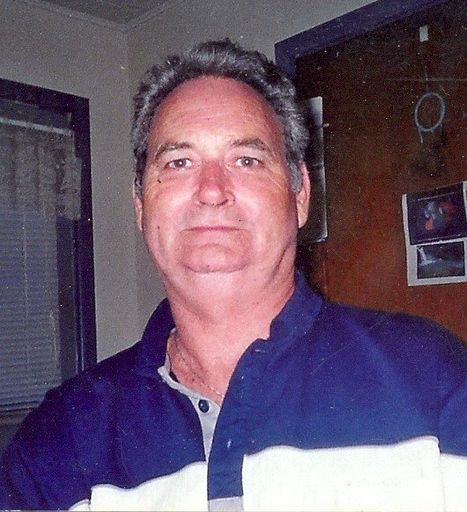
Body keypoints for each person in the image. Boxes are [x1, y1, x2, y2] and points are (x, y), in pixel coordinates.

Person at [1, 39, 466, 512]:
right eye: (179, 162)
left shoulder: (432, 377)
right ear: (140, 205)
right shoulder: (61, 438)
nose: (211, 190)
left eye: (247, 159)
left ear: (300, 195)